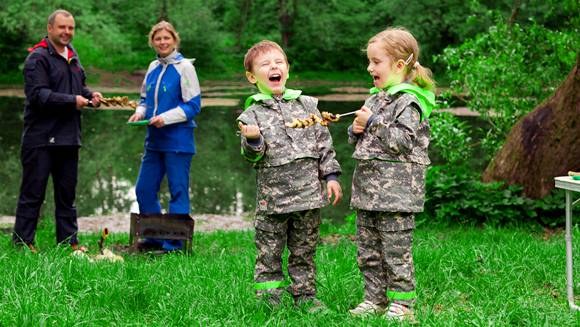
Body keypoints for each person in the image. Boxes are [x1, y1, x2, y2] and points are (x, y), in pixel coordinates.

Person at [237, 40, 342, 311]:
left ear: (287, 69)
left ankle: (305, 297)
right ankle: (268, 300)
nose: (274, 67)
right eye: (265, 64)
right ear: (252, 77)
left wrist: (330, 176)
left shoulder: (308, 105)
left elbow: (323, 143)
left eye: (279, 62)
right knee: (269, 253)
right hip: (273, 202)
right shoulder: (251, 114)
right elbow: (252, 156)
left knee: (303, 252)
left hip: (308, 197)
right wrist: (252, 140)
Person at [347, 27, 436, 321]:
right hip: (367, 192)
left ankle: (402, 304)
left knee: (396, 251)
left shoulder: (408, 102)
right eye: (370, 61)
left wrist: (372, 122)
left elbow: (402, 142)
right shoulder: (376, 98)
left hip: (396, 195)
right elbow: (363, 141)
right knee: (368, 250)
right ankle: (374, 298)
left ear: (399, 65)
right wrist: (355, 129)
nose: (369, 67)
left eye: (376, 61)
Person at [12, 9, 103, 252]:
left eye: (70, 28)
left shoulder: (72, 55)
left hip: (69, 138)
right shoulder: (37, 58)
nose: (67, 32)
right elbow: (38, 95)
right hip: (40, 139)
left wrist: (90, 95)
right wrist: (73, 101)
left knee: (67, 195)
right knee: (33, 194)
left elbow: (78, 86)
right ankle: (23, 243)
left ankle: (69, 242)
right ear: (50, 28)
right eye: (62, 27)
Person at [127, 21, 201, 252]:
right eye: (158, 39)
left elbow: (193, 105)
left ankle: (175, 242)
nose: (162, 42)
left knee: (178, 190)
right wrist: (139, 112)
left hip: (178, 140)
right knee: (144, 189)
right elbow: (144, 100)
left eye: (166, 38)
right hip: (154, 141)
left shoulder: (185, 67)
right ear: (153, 42)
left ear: (174, 40)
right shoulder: (152, 67)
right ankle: (154, 235)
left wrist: (165, 118)